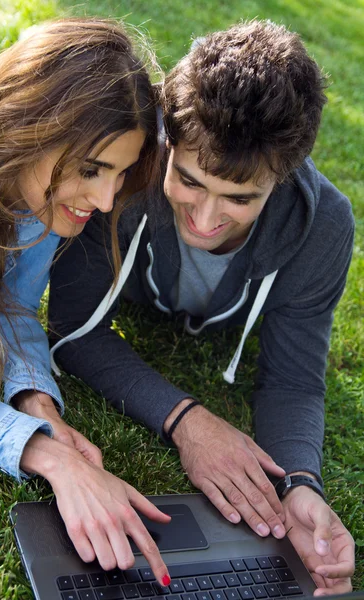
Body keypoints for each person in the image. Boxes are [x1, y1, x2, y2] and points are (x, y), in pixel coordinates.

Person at [49, 20, 356, 595]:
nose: (205, 217)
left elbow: (293, 380)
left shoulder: (325, 226)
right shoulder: (123, 175)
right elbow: (72, 331)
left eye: (240, 198)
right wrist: (187, 421)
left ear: (283, 180)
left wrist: (302, 484)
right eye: (189, 181)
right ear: (169, 140)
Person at [0, 18, 173, 584]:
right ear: (27, 127)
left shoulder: (33, 200)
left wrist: (38, 405)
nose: (107, 201)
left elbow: (9, 309)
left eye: (121, 174)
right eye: (90, 170)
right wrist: (45, 456)